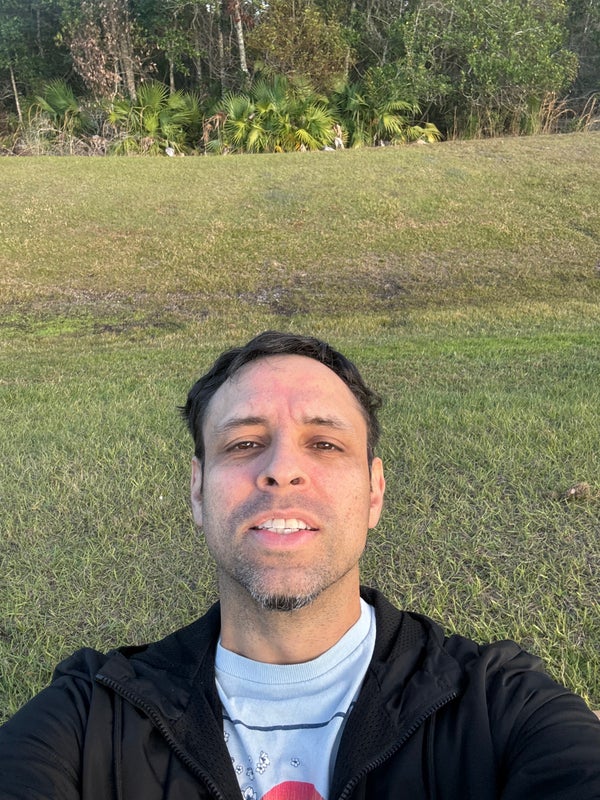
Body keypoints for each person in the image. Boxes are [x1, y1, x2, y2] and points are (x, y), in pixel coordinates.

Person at [0, 330, 599, 800]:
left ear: (374, 491)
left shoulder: (498, 707)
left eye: (325, 444)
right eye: (243, 444)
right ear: (198, 491)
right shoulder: (90, 720)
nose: (282, 470)